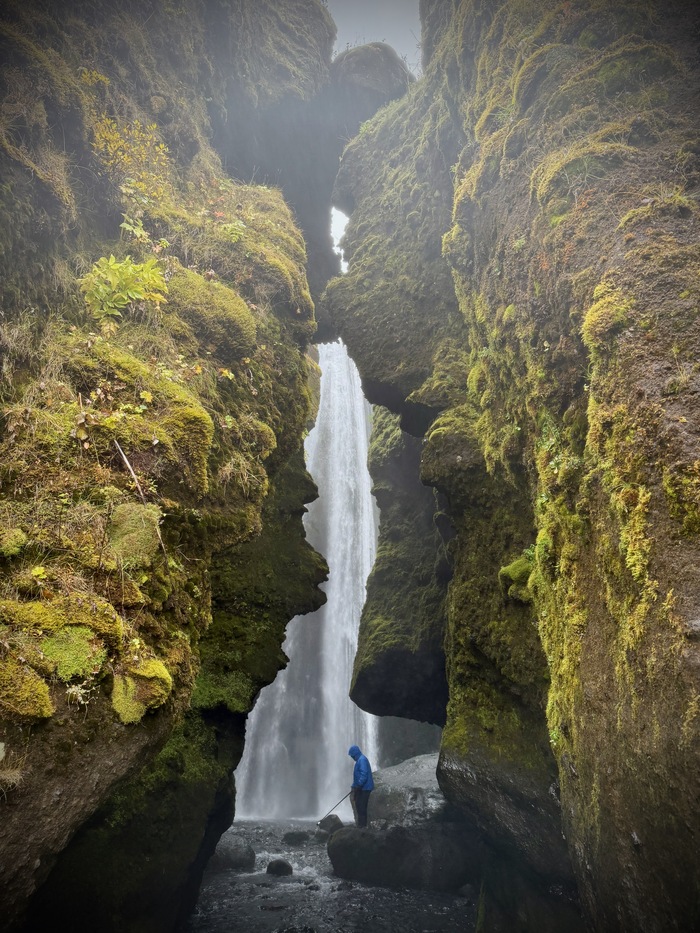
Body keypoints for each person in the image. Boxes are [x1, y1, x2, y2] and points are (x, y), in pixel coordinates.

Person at [348, 744, 374, 828]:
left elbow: (364, 774)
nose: (351, 757)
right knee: (359, 806)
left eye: (352, 755)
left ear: (355, 753)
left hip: (365, 788)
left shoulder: (362, 760)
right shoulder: (360, 760)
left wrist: (359, 785)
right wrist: (354, 786)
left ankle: (362, 826)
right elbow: (358, 776)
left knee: (361, 807)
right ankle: (361, 825)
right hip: (362, 788)